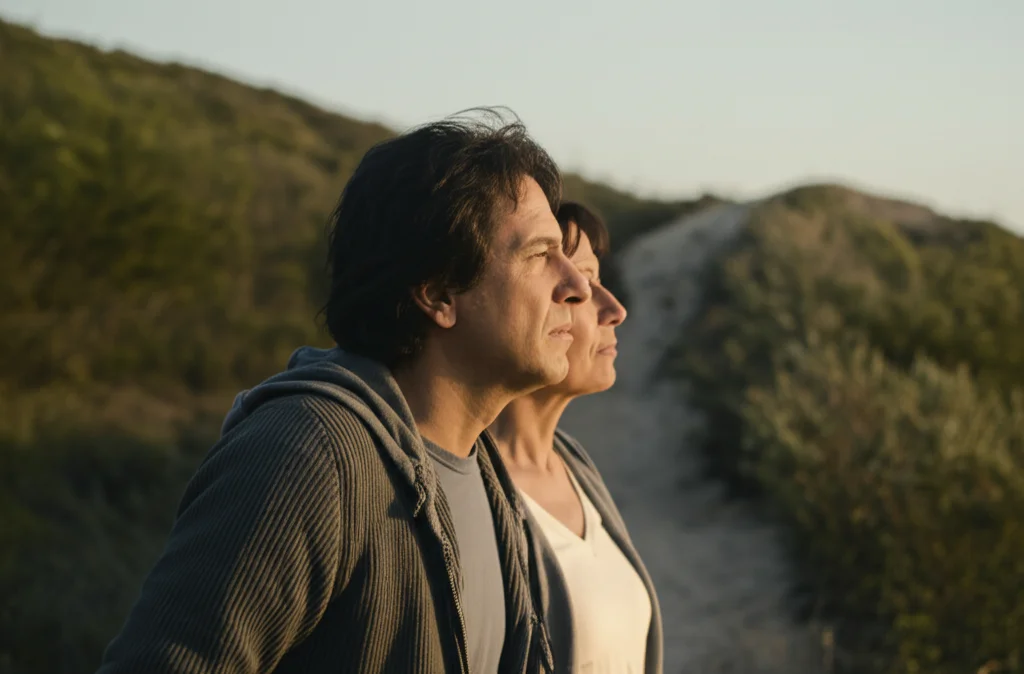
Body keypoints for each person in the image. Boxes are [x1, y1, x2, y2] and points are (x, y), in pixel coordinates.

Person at [96, 112, 593, 674]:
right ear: (438, 294)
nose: (577, 286)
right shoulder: (306, 455)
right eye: (538, 254)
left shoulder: (485, 475)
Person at [489, 201, 664, 674]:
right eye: (583, 285)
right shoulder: (467, 493)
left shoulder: (576, 468)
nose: (615, 309)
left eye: (597, 280)